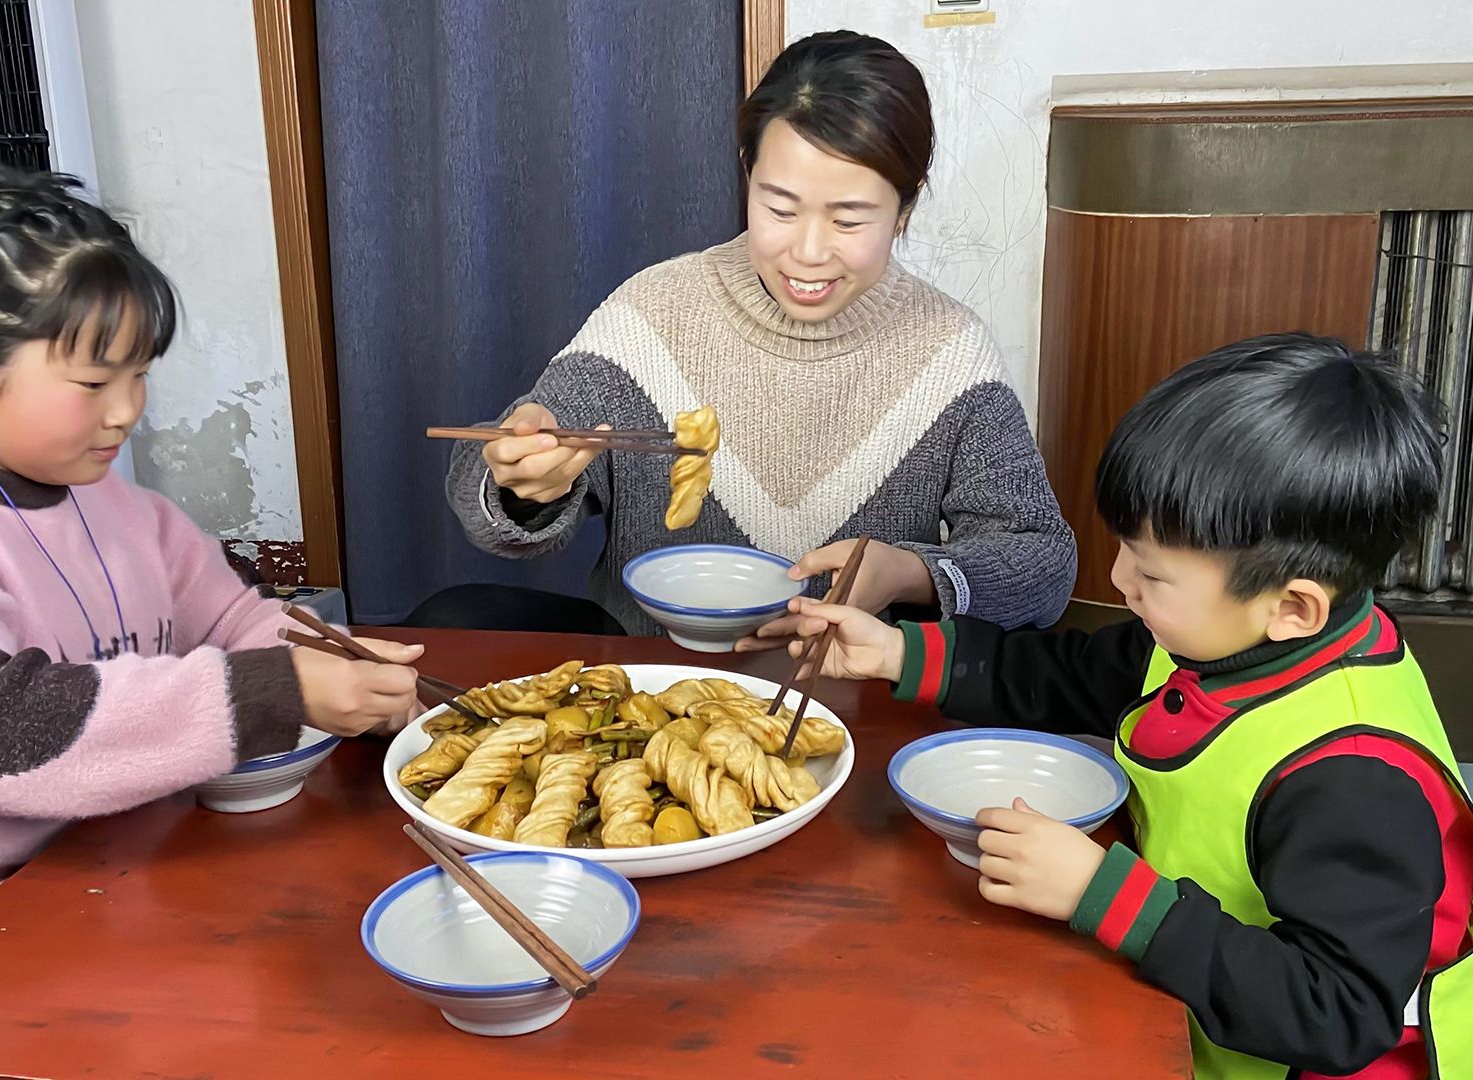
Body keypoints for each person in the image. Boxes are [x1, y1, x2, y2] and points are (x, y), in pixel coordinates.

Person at [0, 168, 422, 1066]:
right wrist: (279, 689)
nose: (127, 413)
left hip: (73, 877)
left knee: (327, 973)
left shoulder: (114, 506)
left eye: (139, 376)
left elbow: (234, 622)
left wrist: (338, 670)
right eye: (95, 380)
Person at [788, 333, 1471, 1078]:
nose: (1118, 579)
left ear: (1295, 608)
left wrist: (1104, 893)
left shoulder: (1354, 776)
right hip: (1176, 996)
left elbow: (1337, 1011)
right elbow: (1076, 673)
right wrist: (899, 654)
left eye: (1152, 574)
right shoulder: (1226, 637)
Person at [435, 30, 1074, 640]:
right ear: (748, 172)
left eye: (849, 219)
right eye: (780, 208)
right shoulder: (651, 316)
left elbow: (1042, 566)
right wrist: (521, 480)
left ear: (905, 209)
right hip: (654, 694)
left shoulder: (950, 352)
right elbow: (487, 506)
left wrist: (912, 574)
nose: (808, 252)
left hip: (844, 702)